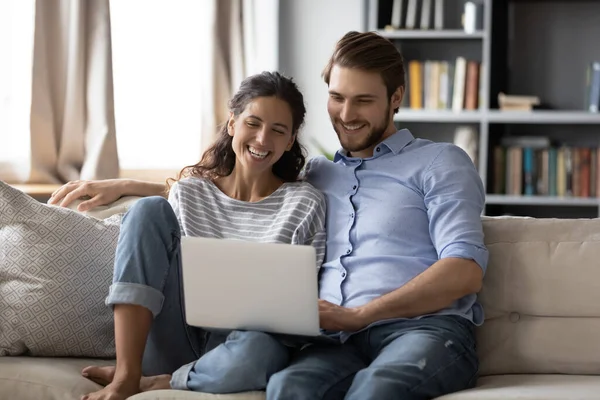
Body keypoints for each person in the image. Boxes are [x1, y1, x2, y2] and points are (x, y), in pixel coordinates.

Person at [51, 31, 489, 400]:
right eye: (337, 98)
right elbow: (232, 186)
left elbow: (465, 270)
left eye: (363, 101)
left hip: (423, 331)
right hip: (338, 341)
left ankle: (166, 379)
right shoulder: (320, 175)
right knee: (287, 388)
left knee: (377, 389)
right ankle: (149, 375)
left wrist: (360, 315)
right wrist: (127, 185)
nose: (347, 114)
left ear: (395, 98)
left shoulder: (440, 162)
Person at [69, 71, 327, 400]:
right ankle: (127, 373)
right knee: (148, 209)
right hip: (176, 338)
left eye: (278, 131)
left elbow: (303, 303)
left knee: (262, 350)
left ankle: (161, 381)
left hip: (242, 352)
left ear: (290, 141)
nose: (263, 139)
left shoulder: (304, 203)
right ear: (232, 123)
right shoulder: (190, 192)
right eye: (253, 123)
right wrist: (125, 185)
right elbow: (159, 257)